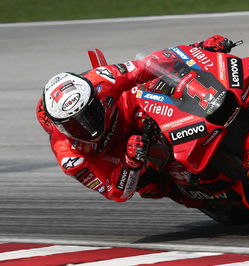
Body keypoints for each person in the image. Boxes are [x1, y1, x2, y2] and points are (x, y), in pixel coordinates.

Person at [36, 35, 237, 202]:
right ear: (59, 127)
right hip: (120, 153)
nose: (87, 127)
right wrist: (130, 163)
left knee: (164, 81)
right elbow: (116, 193)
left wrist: (199, 48)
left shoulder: (102, 80)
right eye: (75, 125)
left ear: (96, 98)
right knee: (150, 185)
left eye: (89, 115)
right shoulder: (70, 158)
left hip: (133, 110)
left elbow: (146, 66)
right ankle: (200, 198)